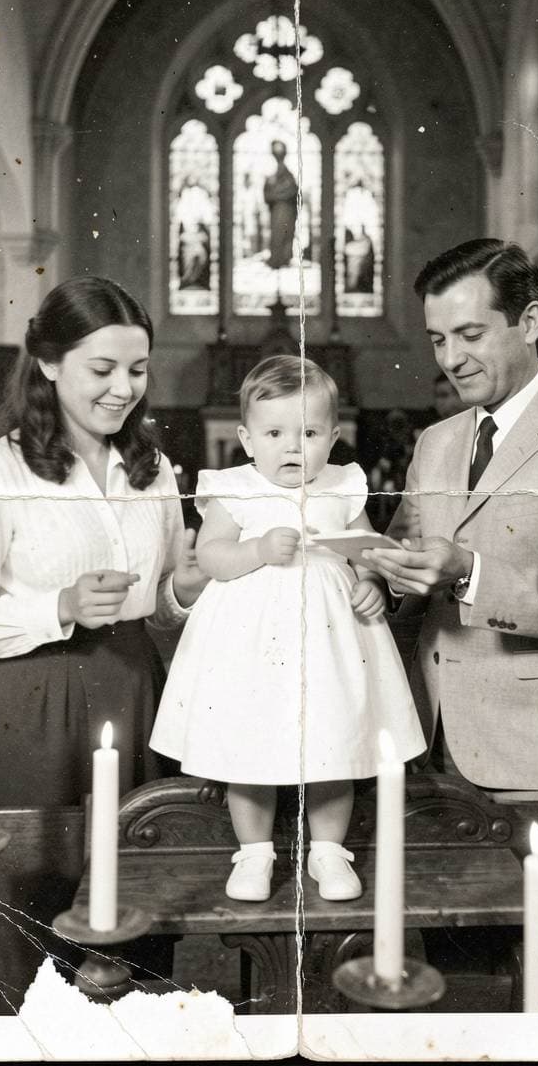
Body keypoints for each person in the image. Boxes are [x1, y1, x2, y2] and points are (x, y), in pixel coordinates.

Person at [362, 239, 538, 829]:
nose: (451, 358)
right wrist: (379, 572)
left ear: (529, 322)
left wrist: (470, 573)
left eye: (470, 335)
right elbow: (404, 559)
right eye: (438, 340)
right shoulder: (436, 441)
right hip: (433, 738)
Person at [151, 356, 425, 903]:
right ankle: (254, 854)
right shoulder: (234, 488)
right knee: (248, 752)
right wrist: (254, 548)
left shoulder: (343, 485)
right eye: (275, 433)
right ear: (247, 439)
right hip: (250, 645)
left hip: (331, 637)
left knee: (334, 743)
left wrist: (370, 577)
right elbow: (212, 557)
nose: (294, 447)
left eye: (310, 432)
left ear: (334, 436)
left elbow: (366, 547)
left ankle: (328, 851)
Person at [0, 276, 208, 809]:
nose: (124, 389)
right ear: (50, 363)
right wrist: (61, 605)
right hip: (31, 700)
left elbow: (160, 610)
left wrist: (185, 592)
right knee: (32, 879)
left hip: (137, 689)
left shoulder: (154, 472)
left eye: (137, 370)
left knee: (140, 877)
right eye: (102, 370)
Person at [263, 140, 298, 269]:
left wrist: (276, 194)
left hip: (286, 209)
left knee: (285, 232)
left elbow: (293, 191)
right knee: (277, 233)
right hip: (277, 209)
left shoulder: (288, 172)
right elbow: (268, 192)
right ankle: (277, 259)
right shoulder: (271, 172)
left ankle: (283, 258)